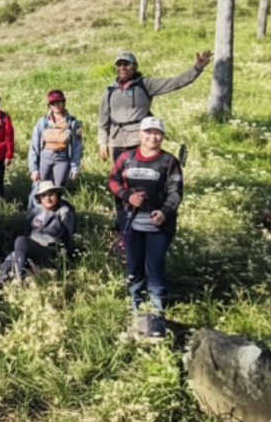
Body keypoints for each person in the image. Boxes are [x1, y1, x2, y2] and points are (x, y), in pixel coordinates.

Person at [98, 49, 211, 233]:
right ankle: (121, 222)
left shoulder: (146, 84)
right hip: (117, 141)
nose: (122, 67)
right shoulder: (109, 90)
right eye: (119, 64)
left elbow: (175, 82)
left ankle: (147, 221)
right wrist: (103, 142)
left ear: (135, 67)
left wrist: (196, 69)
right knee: (119, 183)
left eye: (126, 64)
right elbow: (103, 118)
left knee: (142, 183)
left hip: (140, 141)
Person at [108, 117, 183, 338]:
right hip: (131, 223)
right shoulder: (126, 157)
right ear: (140, 134)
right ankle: (136, 307)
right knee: (133, 266)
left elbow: (176, 192)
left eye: (157, 133)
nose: (152, 137)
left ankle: (157, 312)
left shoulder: (169, 161)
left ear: (163, 136)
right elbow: (113, 180)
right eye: (148, 132)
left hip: (159, 225)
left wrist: (164, 211)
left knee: (154, 266)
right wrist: (127, 196)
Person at [0, 181, 75, 290]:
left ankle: (19, 280)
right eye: (44, 196)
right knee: (13, 255)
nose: (47, 198)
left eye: (51, 195)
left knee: (21, 241)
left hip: (50, 250)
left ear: (57, 196)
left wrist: (66, 259)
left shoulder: (64, 212)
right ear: (40, 199)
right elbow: (26, 230)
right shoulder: (36, 212)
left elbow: (68, 237)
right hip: (33, 248)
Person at [28, 89, 84, 188]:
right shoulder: (42, 122)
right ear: (49, 105)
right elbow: (34, 146)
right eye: (53, 103)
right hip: (44, 158)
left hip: (62, 158)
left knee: (59, 187)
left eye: (59, 102)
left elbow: (77, 147)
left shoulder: (72, 122)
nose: (56, 106)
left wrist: (74, 166)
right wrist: (34, 168)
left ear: (64, 103)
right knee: (41, 186)